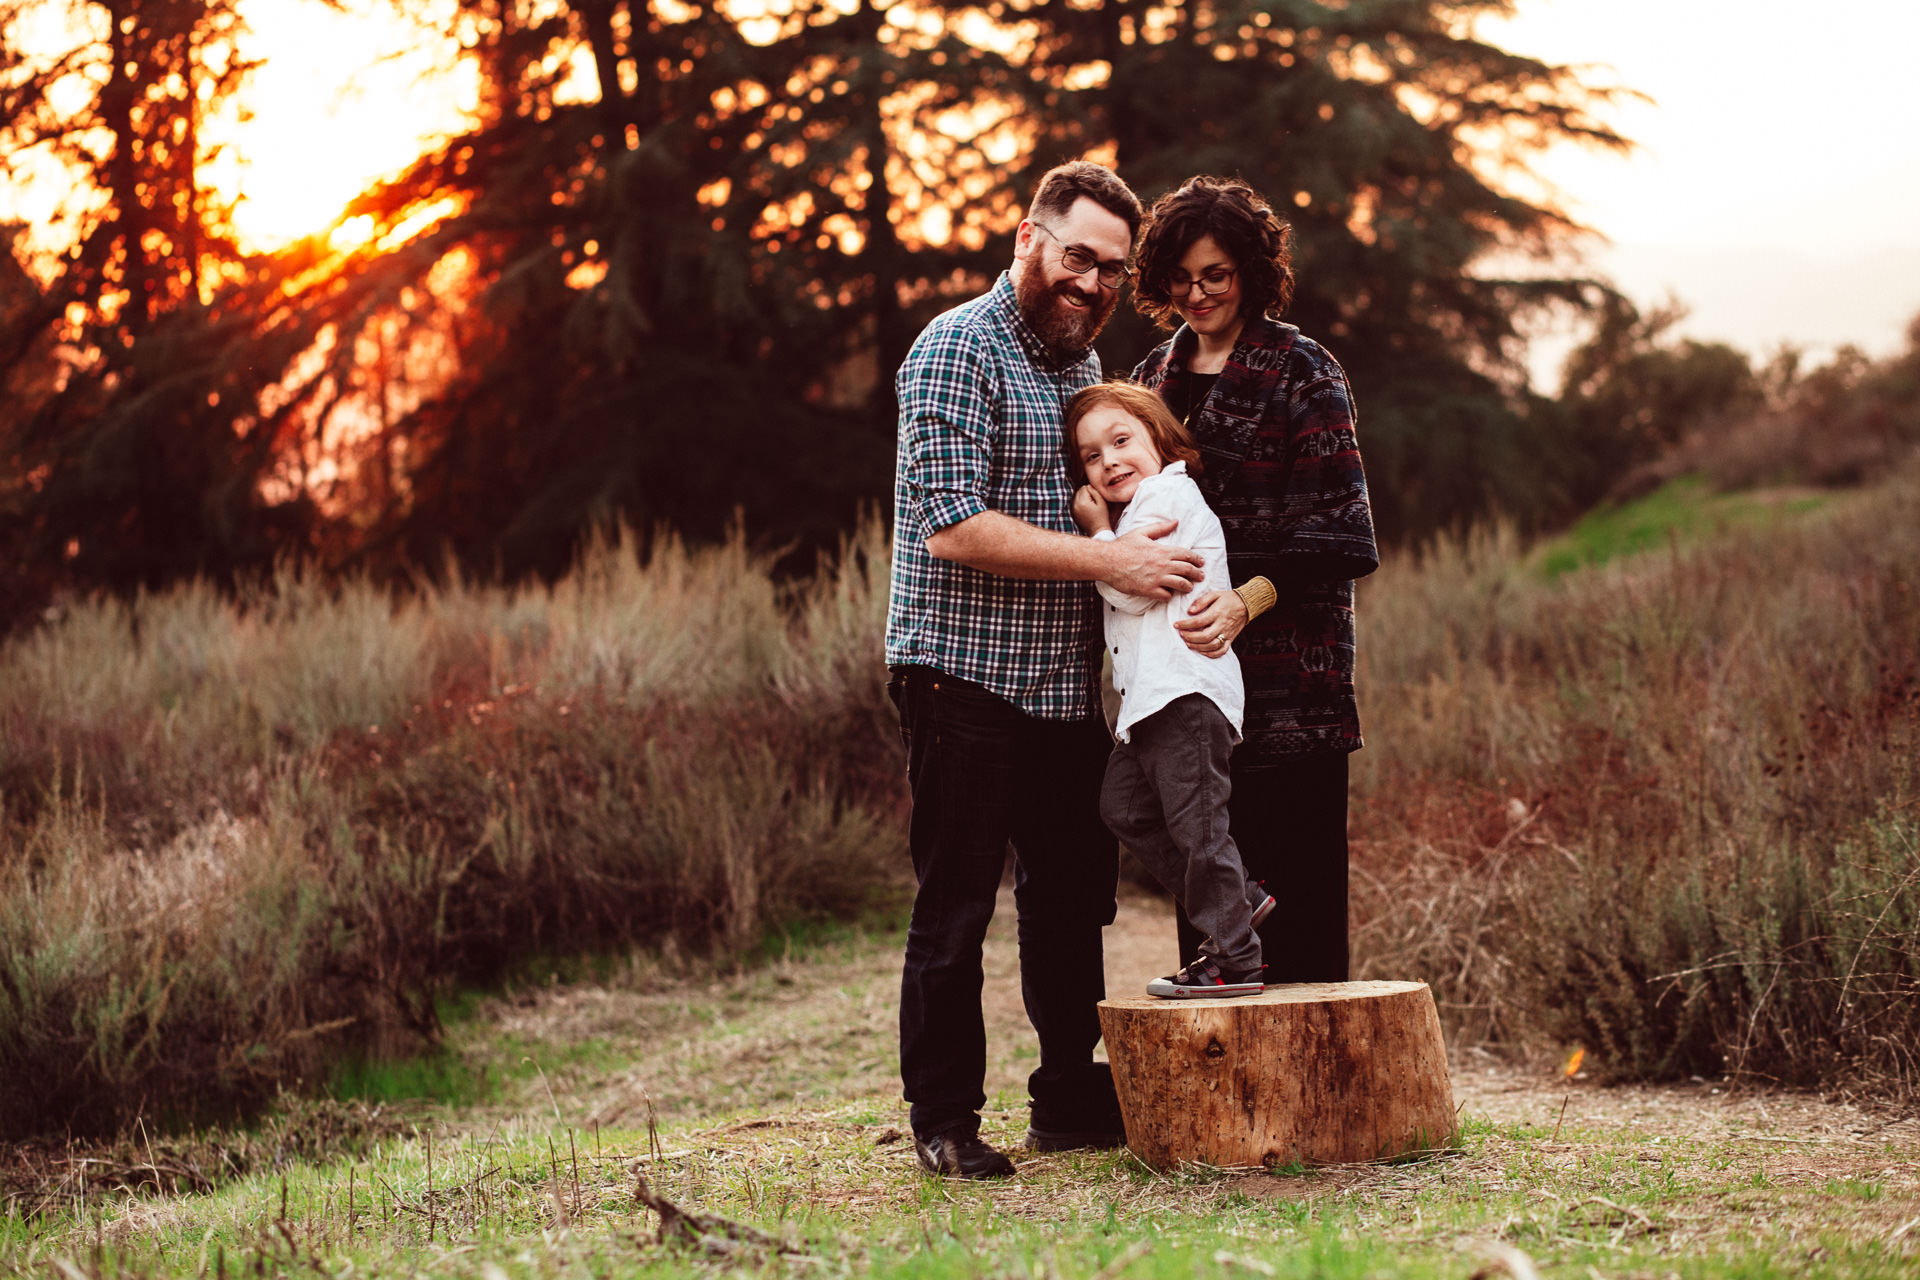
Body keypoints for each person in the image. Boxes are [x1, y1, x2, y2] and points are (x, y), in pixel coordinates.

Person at [884, 161, 1207, 1179]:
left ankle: (1069, 1098)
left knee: (1072, 900)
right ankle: (943, 1117)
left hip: (1064, 686)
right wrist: (1111, 556)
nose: (1093, 281)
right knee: (958, 900)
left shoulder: (1087, 369)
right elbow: (952, 527)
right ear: (1029, 237)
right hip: (961, 674)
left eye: (1111, 268)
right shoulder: (952, 349)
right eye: (1078, 256)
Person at [1128, 176, 1379, 984]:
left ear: (1252, 272)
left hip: (1291, 693)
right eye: (1182, 277)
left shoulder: (1306, 369)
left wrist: (1245, 603)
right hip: (1185, 685)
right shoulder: (1148, 382)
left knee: (1299, 926)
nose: (1197, 293)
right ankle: (1217, 1112)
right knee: (1214, 933)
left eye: (1217, 275)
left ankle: (1325, 1113)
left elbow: (1339, 537)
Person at [1064, 381, 1276, 999]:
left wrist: (1097, 533)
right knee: (1123, 807)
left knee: (1198, 829)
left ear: (1159, 439)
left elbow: (1132, 584)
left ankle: (1236, 961)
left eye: (1121, 441)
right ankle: (1240, 900)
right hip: (1150, 703)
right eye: (1091, 456)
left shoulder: (1168, 495)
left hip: (1185, 694)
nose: (1109, 462)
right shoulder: (1142, 507)